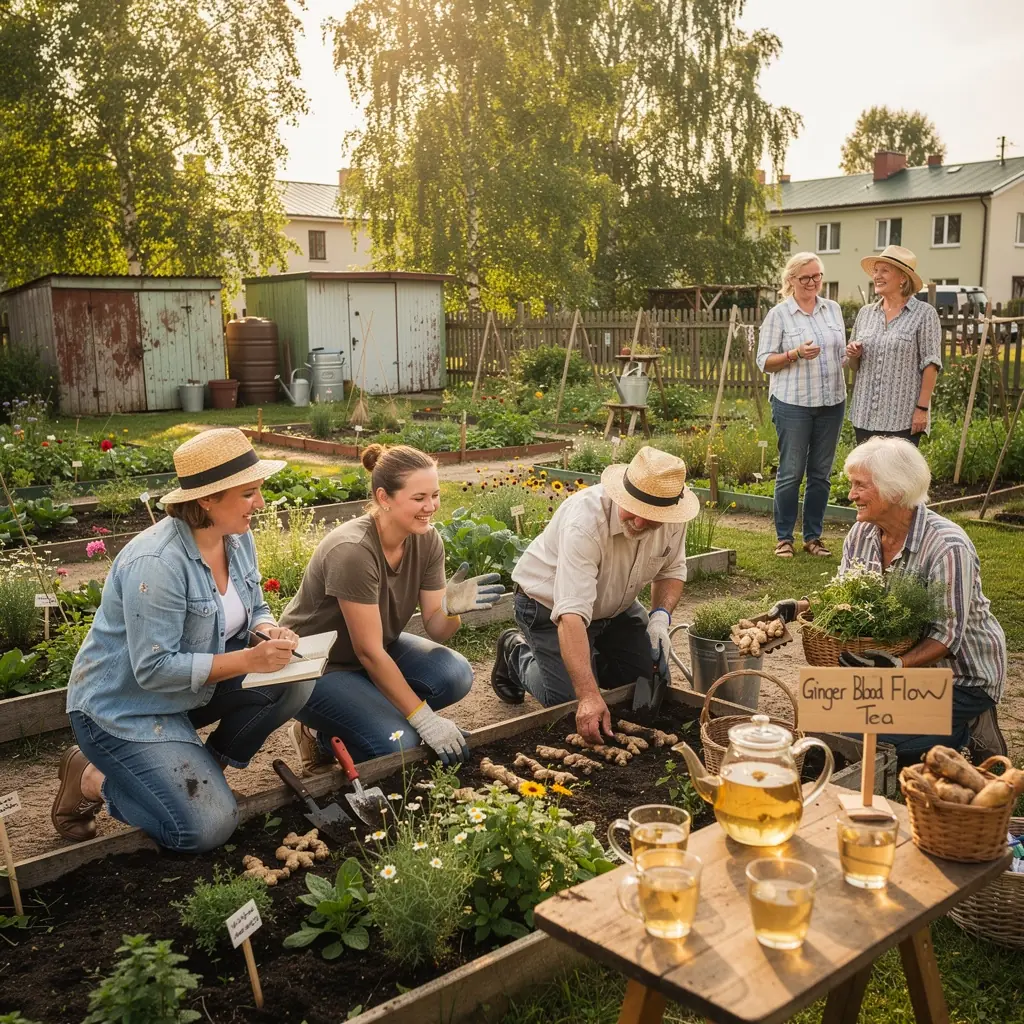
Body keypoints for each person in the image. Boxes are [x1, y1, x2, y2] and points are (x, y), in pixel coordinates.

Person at [51, 429, 311, 851]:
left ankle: (202, 775)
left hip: (190, 691)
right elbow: (153, 671)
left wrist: (267, 631)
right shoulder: (157, 564)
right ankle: (91, 779)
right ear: (207, 499)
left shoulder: (237, 538)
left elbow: (256, 606)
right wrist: (250, 660)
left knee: (295, 679)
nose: (259, 504)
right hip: (125, 709)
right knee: (202, 830)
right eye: (248, 494)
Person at [770, 437, 1007, 766]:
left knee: (863, 743)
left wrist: (895, 668)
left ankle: (967, 730)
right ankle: (938, 729)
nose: (851, 494)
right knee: (821, 732)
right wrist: (796, 607)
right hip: (899, 673)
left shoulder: (947, 546)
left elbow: (947, 636)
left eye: (860, 486)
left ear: (895, 490)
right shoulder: (862, 533)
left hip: (960, 678)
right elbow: (845, 597)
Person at [282, 444, 503, 770]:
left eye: (435, 495)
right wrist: (425, 722)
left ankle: (343, 724)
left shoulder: (427, 540)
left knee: (454, 675)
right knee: (400, 742)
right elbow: (369, 653)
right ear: (384, 498)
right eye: (419, 498)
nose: (431, 507)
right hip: (315, 666)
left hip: (369, 655)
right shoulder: (353, 551)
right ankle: (319, 730)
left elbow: (436, 629)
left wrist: (451, 608)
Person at [489, 446, 700, 743]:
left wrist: (660, 617)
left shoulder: (673, 515)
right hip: (547, 606)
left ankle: (585, 656)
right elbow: (571, 616)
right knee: (568, 703)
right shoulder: (586, 521)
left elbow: (671, 571)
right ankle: (516, 653)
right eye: (634, 510)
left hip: (615, 607)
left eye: (650, 517)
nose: (639, 523)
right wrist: (587, 694)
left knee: (653, 680)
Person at [756, 252, 848, 559]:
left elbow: (841, 357)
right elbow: (764, 362)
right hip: (793, 403)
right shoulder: (779, 315)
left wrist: (853, 353)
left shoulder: (833, 310)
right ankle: (784, 537)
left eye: (817, 276)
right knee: (791, 472)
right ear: (791, 280)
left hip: (832, 401)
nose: (812, 283)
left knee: (820, 474)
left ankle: (813, 537)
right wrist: (794, 353)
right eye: (805, 277)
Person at [846, 245, 941, 446]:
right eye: (876, 271)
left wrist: (922, 409)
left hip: (902, 418)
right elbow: (854, 365)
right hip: (865, 415)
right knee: (865, 475)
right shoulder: (866, 313)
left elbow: (931, 364)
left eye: (885, 271)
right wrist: (854, 353)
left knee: (898, 476)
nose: (877, 276)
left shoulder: (924, 314)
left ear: (903, 278)